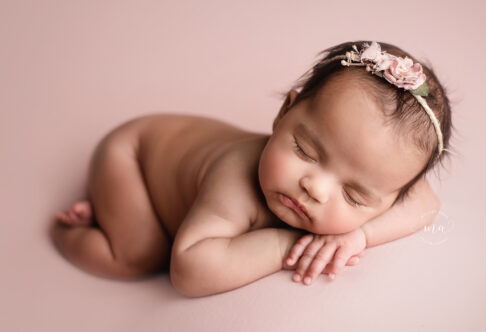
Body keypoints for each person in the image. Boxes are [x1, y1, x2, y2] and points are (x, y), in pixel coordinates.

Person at [51, 40, 453, 297]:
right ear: (284, 112)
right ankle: (69, 230)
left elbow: (425, 203)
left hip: (178, 147)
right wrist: (289, 244)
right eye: (306, 151)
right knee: (141, 255)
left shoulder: (382, 186)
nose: (315, 187)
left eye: (354, 195)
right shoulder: (234, 182)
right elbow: (188, 269)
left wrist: (359, 236)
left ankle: (111, 208)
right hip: (135, 154)